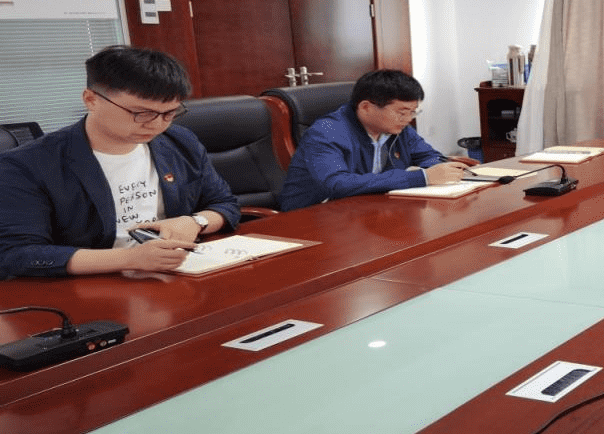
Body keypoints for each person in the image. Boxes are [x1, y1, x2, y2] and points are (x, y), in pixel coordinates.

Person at [0, 45, 240, 279]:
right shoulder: (27, 165)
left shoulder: (179, 142)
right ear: (91, 99)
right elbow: (17, 254)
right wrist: (128, 259)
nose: (157, 125)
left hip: (173, 276)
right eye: (142, 113)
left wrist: (196, 222)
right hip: (86, 287)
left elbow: (224, 204)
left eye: (169, 113)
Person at [279, 69, 475, 211]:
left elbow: (427, 155)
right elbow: (337, 184)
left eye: (413, 112)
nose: (408, 119)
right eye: (402, 112)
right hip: (313, 216)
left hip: (368, 210)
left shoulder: (398, 128)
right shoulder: (326, 132)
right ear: (366, 107)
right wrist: (423, 177)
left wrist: (441, 167)